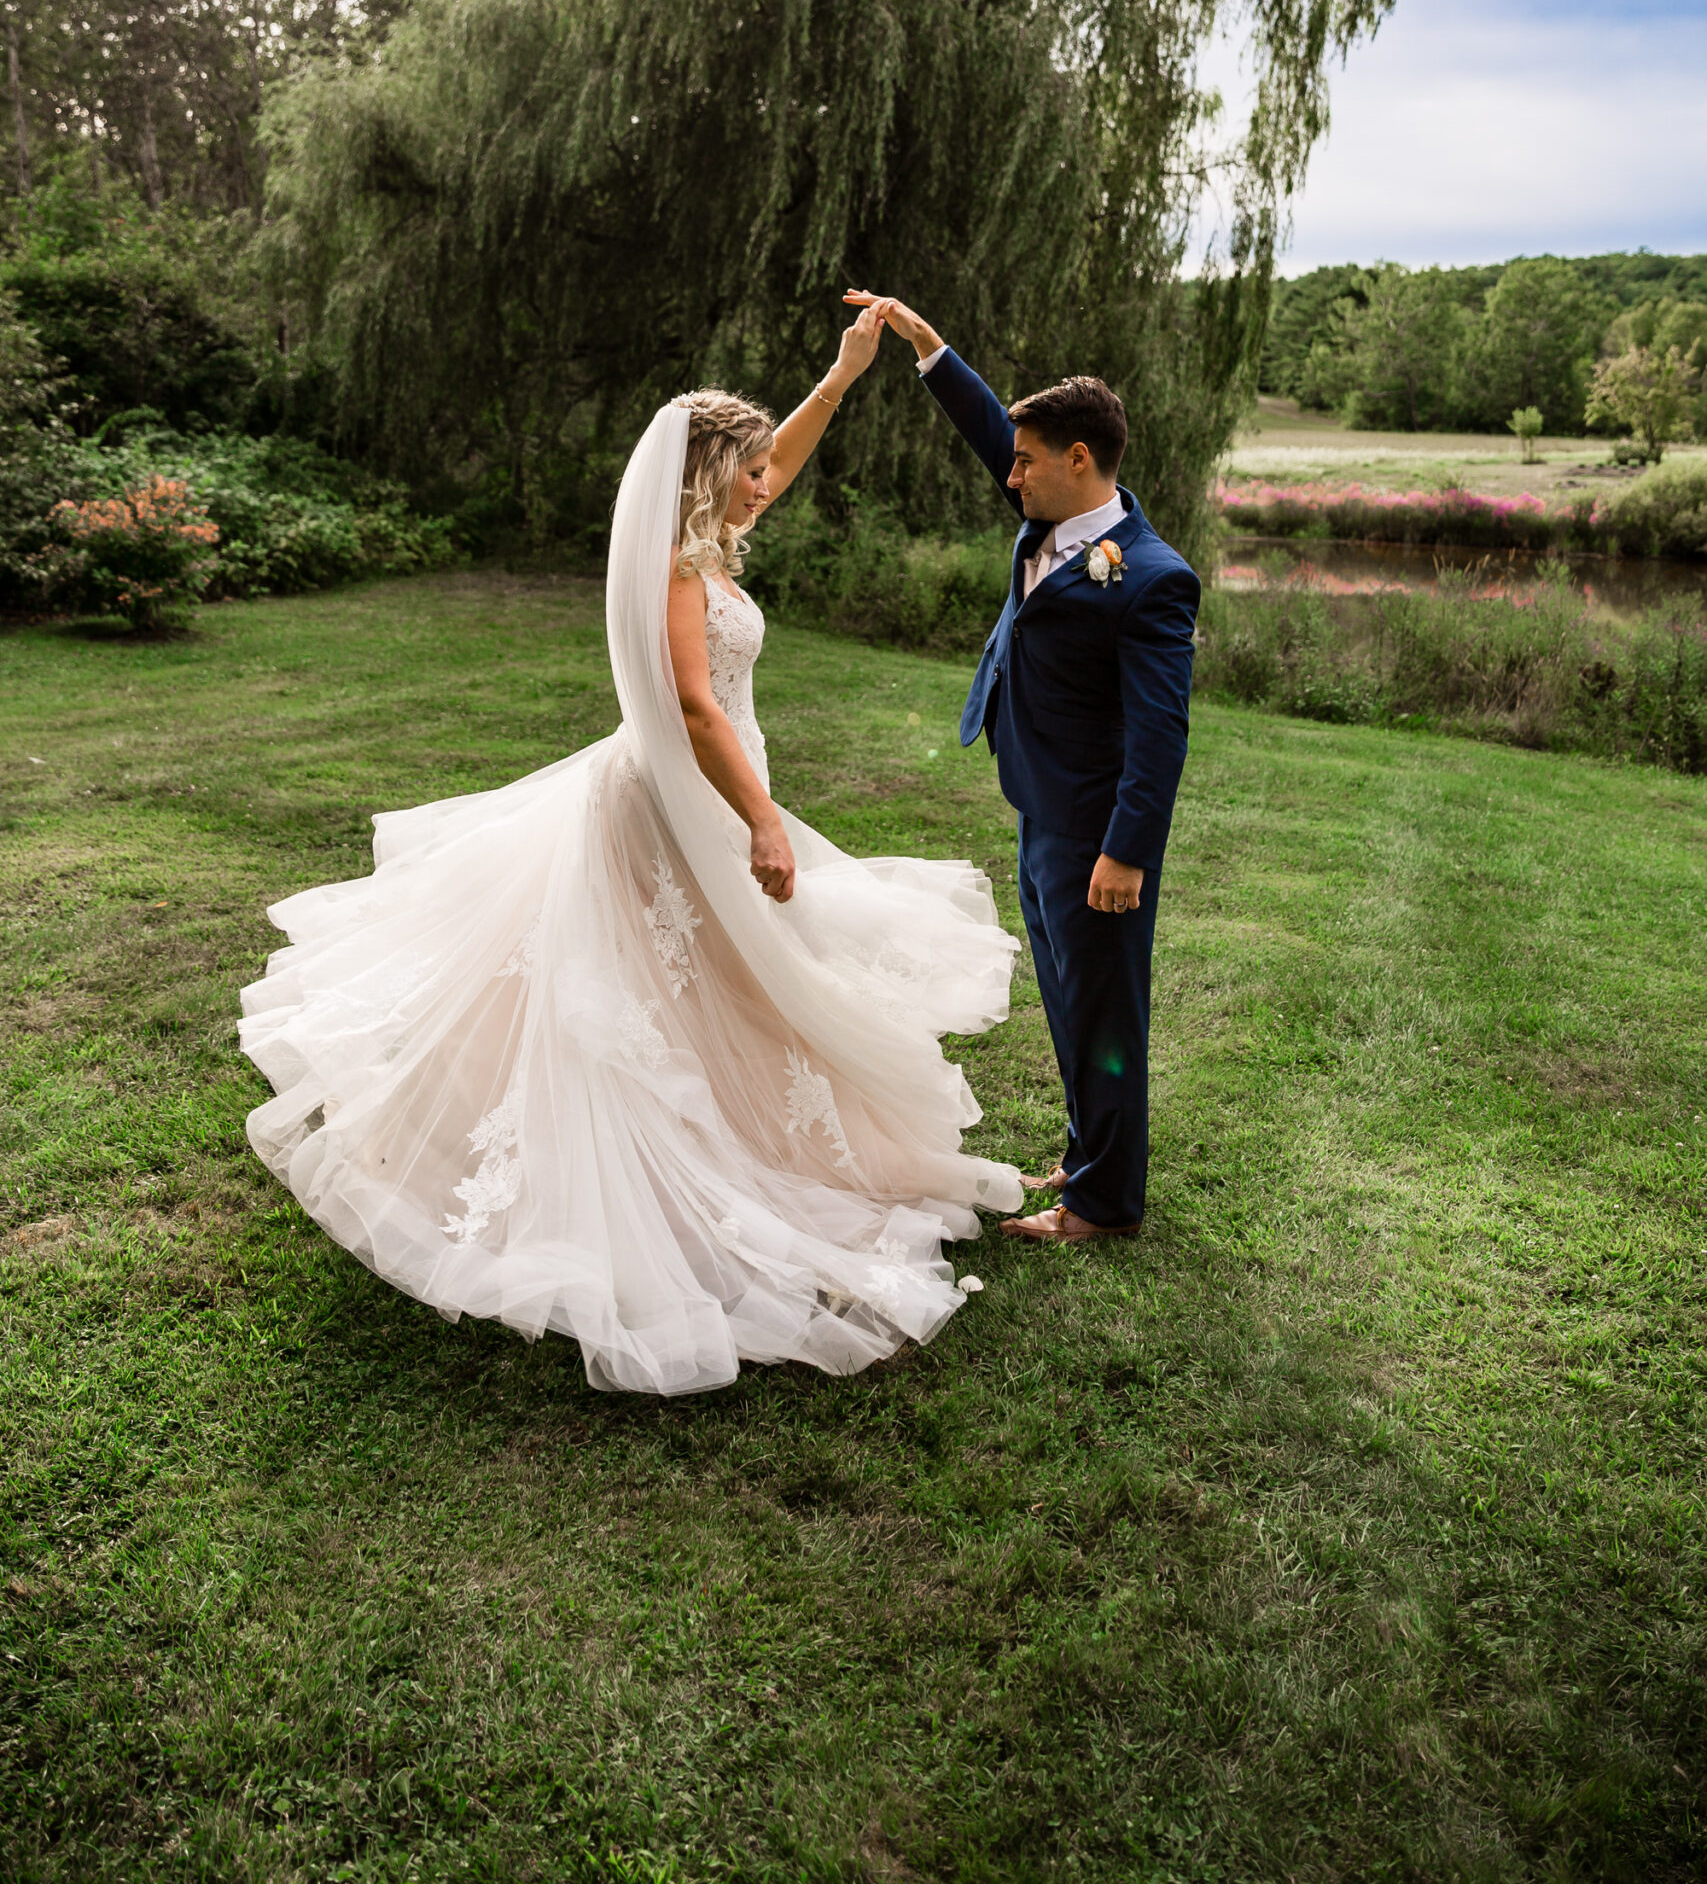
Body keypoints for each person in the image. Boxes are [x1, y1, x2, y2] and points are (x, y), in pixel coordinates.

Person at [239, 301, 1023, 1396]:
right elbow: (699, 711)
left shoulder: (704, 545)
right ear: (710, 473)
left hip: (696, 785)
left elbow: (779, 467)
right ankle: (665, 1177)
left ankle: (736, 1133)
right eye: (747, 471)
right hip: (682, 794)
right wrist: (759, 817)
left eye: (762, 470)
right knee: (674, 986)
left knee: (709, 983)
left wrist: (841, 379)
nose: (766, 484)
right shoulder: (675, 574)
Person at [846, 292, 1200, 1244]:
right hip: (1039, 805)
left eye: (1028, 460)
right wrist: (928, 350)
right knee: (1068, 998)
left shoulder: (1151, 577)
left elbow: (1159, 733)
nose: (1010, 475)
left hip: (1094, 828)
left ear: (1078, 460)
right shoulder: (1054, 520)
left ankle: (1102, 1204)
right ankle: (1089, 1155)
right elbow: (989, 431)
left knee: (1105, 1013)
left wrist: (1125, 853)